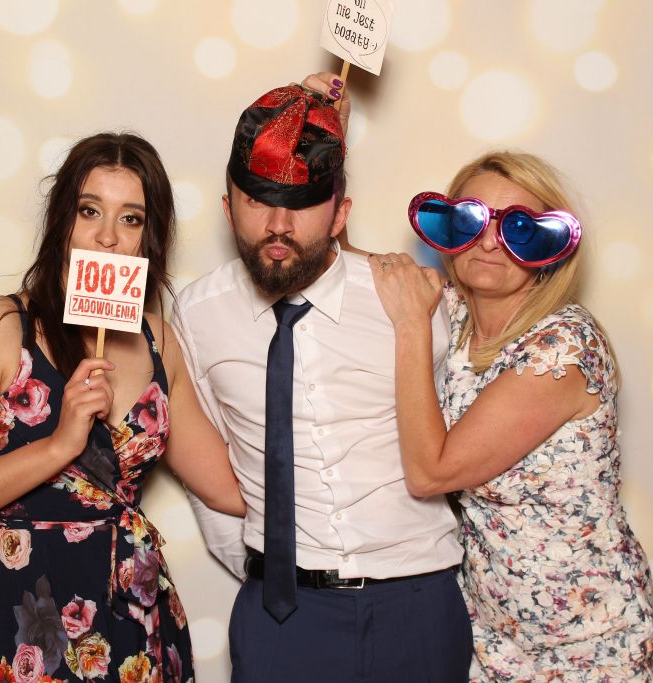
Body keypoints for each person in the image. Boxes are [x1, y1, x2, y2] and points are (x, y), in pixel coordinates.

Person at [173, 84, 472, 681]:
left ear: (339, 213)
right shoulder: (197, 314)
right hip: (281, 616)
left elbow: (458, 439)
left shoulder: (409, 298)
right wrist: (266, 572)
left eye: (303, 204)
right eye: (257, 201)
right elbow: (208, 461)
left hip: (417, 606)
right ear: (228, 208)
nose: (277, 225)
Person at [0, 132, 244, 683]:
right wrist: (59, 446)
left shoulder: (158, 340)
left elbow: (228, 487)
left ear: (149, 238)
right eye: (89, 210)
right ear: (62, 222)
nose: (107, 237)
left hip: (135, 621)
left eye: (131, 219)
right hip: (26, 621)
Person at [368, 151, 653, 680]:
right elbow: (348, 267)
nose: (487, 243)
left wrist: (410, 327)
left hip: (589, 644)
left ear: (549, 247)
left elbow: (431, 472)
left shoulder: (565, 347)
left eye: (518, 228)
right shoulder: (452, 314)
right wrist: (324, 135)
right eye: (470, 220)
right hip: (489, 637)